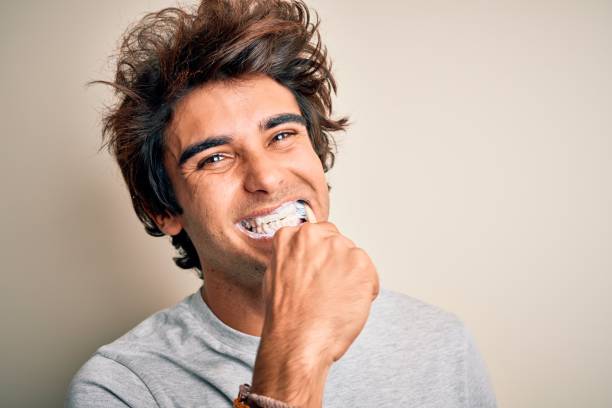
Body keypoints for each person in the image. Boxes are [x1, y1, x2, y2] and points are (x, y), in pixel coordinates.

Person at [67, 0, 497, 407]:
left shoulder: (441, 343)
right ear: (164, 209)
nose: (267, 178)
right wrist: (295, 352)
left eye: (282, 136)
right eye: (215, 157)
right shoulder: (123, 386)